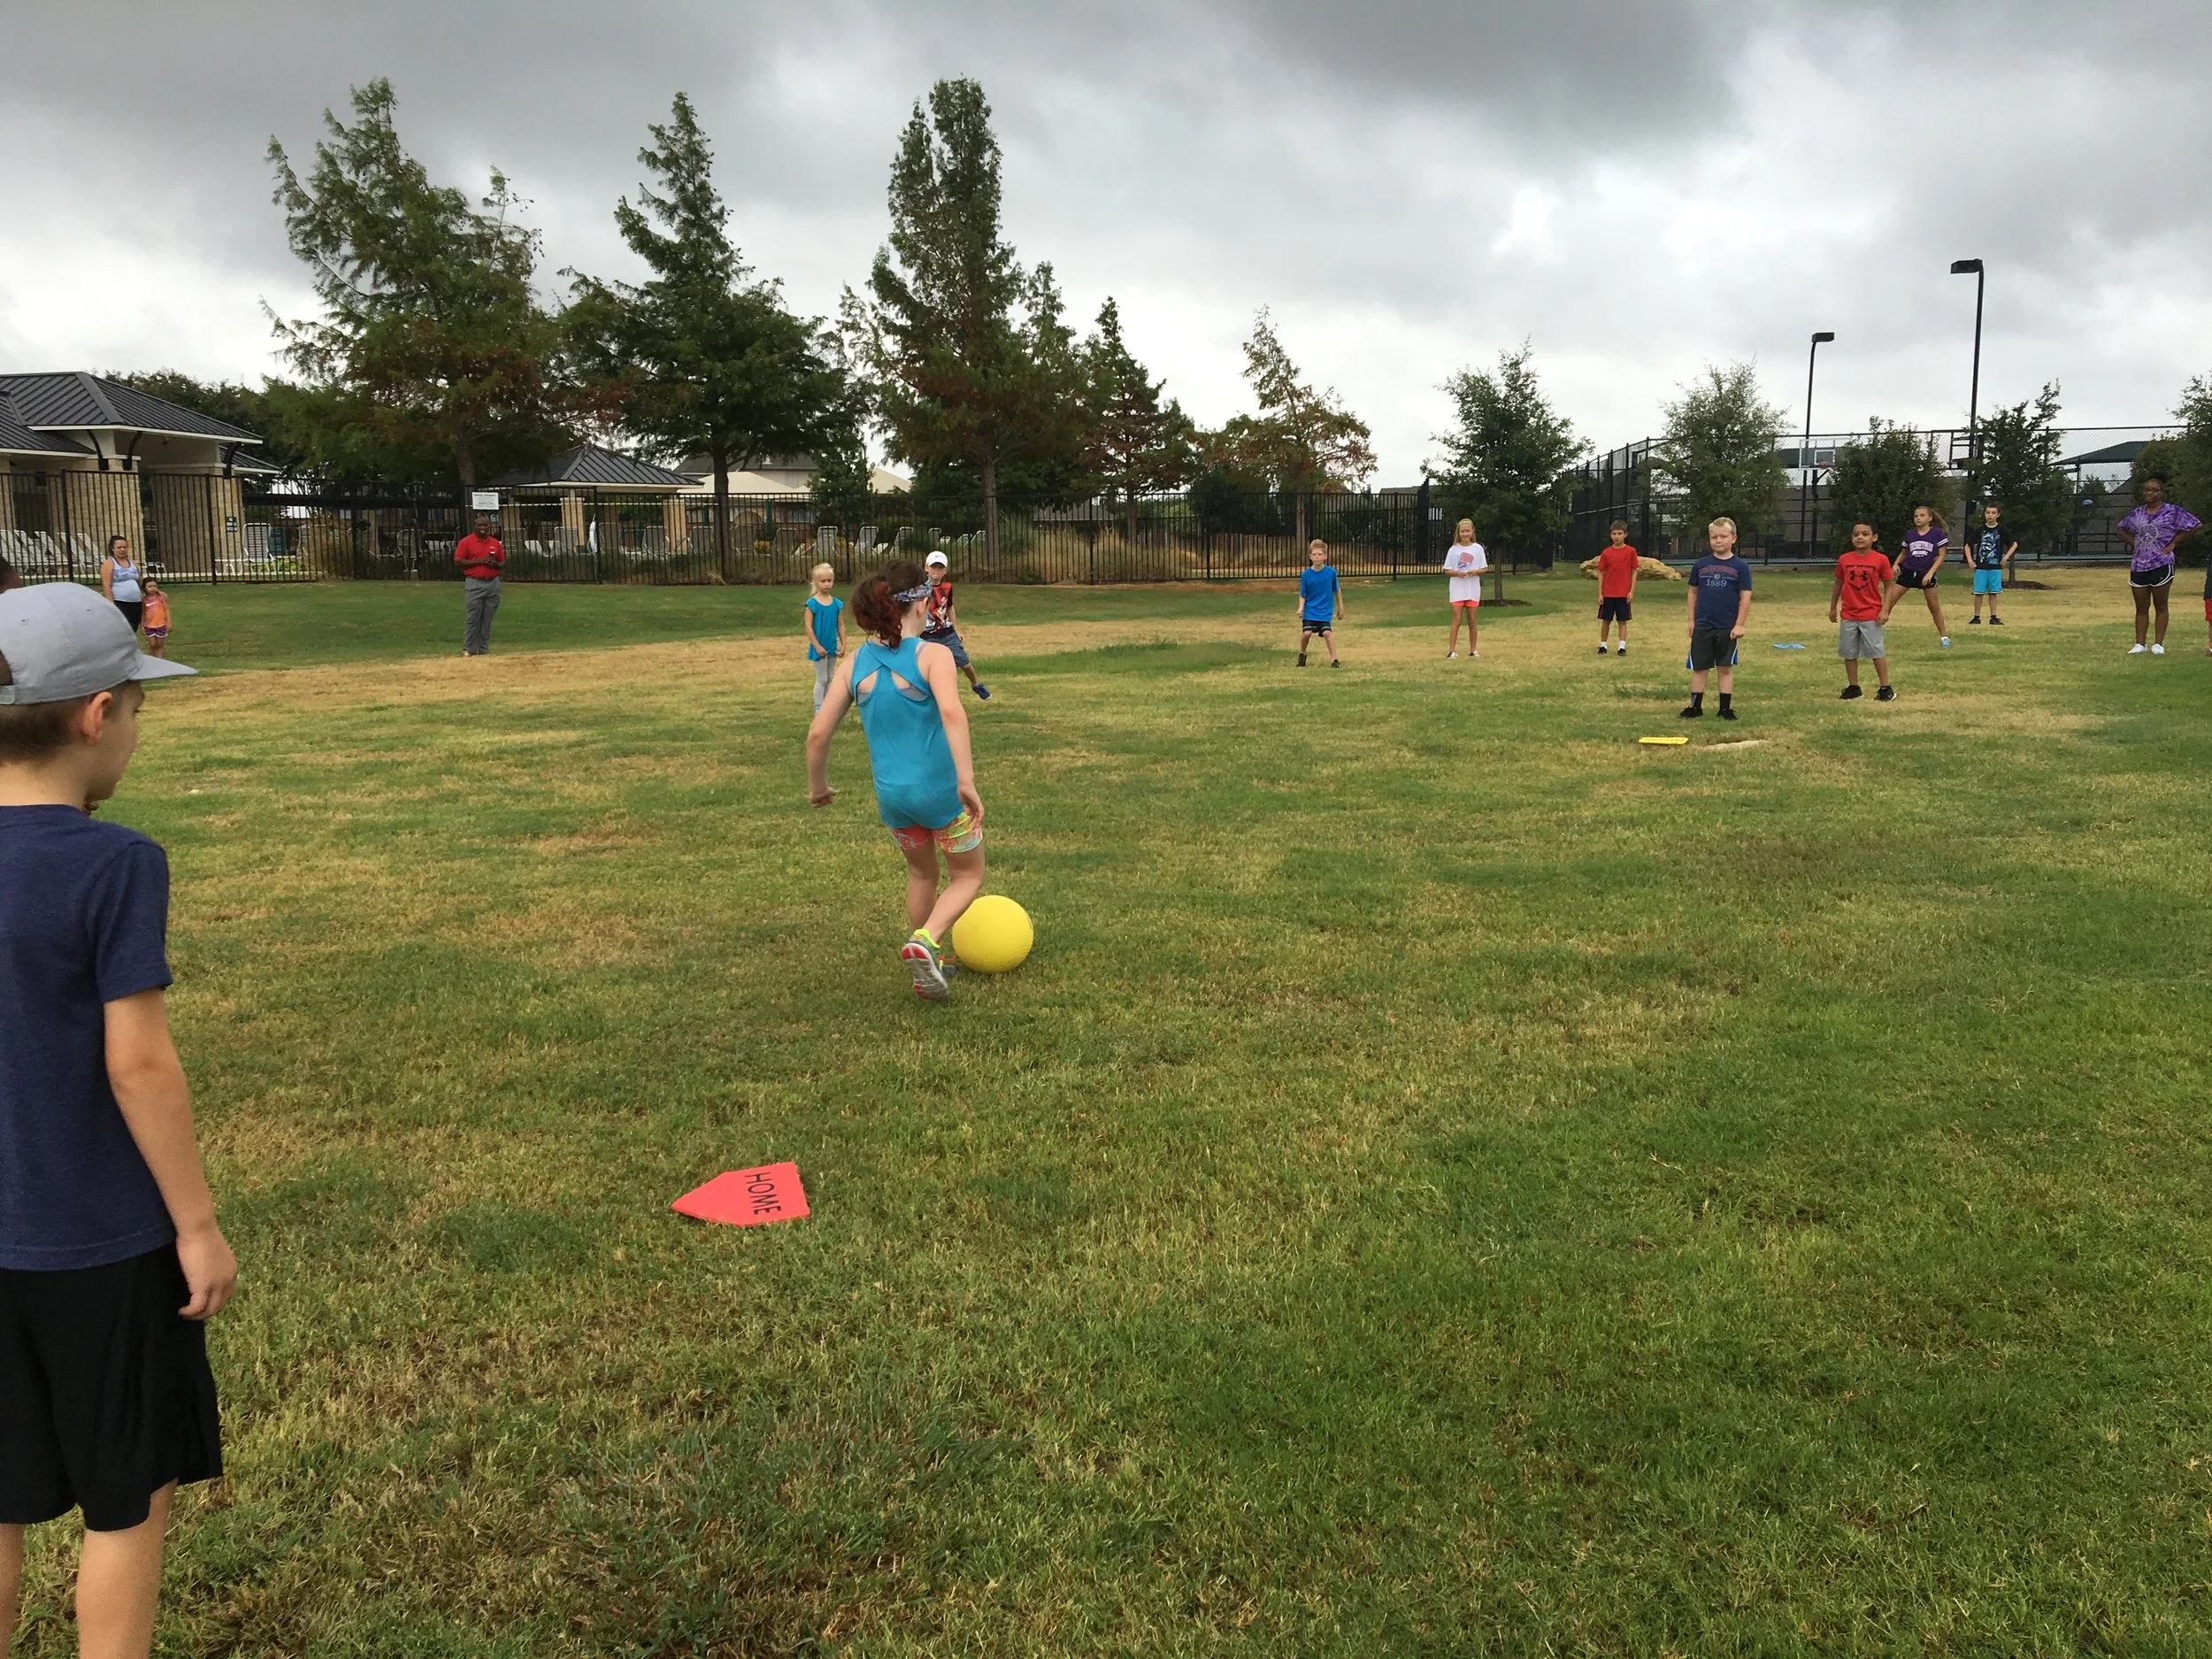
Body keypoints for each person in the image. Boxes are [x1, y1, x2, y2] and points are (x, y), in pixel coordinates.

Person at [0, 583, 233, 1659]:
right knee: (124, 1501)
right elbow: (138, 1062)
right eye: (138, 708)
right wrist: (195, 1223)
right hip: (100, 1249)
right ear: (99, 714)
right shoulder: (115, 863)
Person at [806, 562, 986, 1002]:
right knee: (968, 876)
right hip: (940, 794)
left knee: (921, 872)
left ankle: (931, 965)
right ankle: (927, 941)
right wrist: (966, 780)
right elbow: (951, 713)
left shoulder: (854, 663)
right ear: (921, 603)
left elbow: (817, 733)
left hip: (893, 801)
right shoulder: (934, 655)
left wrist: (818, 787)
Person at [2117, 472, 2201, 656]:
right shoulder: (2137, 513)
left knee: (2161, 605)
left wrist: (2174, 542)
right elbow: (2121, 528)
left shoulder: (2172, 511)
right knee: (2141, 606)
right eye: (2147, 490)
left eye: (2155, 490)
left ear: (2161, 492)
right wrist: (2135, 543)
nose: (2150, 493)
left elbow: (2195, 525)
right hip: (2139, 565)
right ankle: (2140, 643)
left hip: (2161, 563)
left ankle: (2158, 644)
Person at [1681, 516, 1752, 719]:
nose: (1718, 541)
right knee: (1699, 667)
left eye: (1723, 536)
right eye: (1714, 537)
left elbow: (1745, 597)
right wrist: (1691, 620)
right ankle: (1695, 707)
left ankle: (1725, 709)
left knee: (1724, 668)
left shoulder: (1741, 567)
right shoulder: (1701, 565)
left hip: (1727, 627)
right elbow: (1693, 593)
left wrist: (1739, 625)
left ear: (1733, 538)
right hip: (1703, 625)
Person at [1830, 521, 1896, 701]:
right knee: (1848, 652)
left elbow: (1889, 586)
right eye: (1856, 534)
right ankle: (1853, 686)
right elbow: (1838, 583)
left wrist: (1885, 609)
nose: (1860, 537)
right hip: (1849, 614)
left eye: (1865, 534)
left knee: (1876, 651)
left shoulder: (1880, 560)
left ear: (1874, 537)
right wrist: (1833, 608)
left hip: (1871, 614)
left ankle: (1885, 687)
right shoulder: (1845, 559)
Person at [919, 552, 990, 699]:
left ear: (945, 571)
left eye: (940, 568)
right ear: (926, 568)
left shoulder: (947, 588)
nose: (936, 571)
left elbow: (950, 607)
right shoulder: (919, 589)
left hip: (946, 633)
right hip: (926, 635)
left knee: (965, 664)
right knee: (925, 667)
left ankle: (976, 685)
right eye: (933, 567)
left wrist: (956, 629)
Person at [1881, 504, 1951, 646]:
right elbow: (1904, 552)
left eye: (1922, 515)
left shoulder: (1937, 533)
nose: (1918, 518)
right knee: (1888, 603)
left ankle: (1944, 637)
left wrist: (1930, 574)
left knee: (1933, 606)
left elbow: (1942, 555)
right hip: (1908, 572)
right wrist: (1895, 564)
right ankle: (1873, 633)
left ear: (1930, 518)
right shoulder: (1910, 534)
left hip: (1926, 573)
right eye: (1916, 516)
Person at [1585, 521, 1640, 655]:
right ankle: (1603, 645)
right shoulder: (1606, 553)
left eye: (1620, 533)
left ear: (1625, 534)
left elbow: (1634, 571)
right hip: (1608, 593)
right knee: (1606, 620)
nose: (1617, 536)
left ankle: (1622, 646)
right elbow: (1601, 573)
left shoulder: (1631, 552)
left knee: (1622, 620)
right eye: (1614, 534)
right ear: (1610, 535)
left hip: (1623, 593)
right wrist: (1600, 593)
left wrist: (1631, 591)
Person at [453, 515, 505, 657]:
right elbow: (458, 560)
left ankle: (483, 648)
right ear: (475, 527)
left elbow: (502, 562)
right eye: (480, 526)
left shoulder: (495, 543)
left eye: (485, 526)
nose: (483, 528)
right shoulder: (466, 542)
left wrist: (494, 564)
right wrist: (479, 561)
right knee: (473, 617)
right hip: (475, 582)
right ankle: (468, 648)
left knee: (487, 618)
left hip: (492, 583)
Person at [1963, 502, 2016, 626]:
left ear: (1998, 515)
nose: (1990, 515)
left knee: (1993, 593)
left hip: (1995, 567)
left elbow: (2014, 544)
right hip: (1981, 566)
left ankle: (1993, 617)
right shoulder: (1980, 530)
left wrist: (2005, 558)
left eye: (1993, 513)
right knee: (1978, 593)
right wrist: (1970, 560)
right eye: (1988, 513)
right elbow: (1968, 545)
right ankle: (1976, 616)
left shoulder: (2002, 530)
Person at [803, 563, 846, 711]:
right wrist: (817, 646)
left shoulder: (836, 603)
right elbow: (808, 627)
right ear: (816, 582)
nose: (827, 584)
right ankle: (818, 708)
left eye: (830, 580)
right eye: (823, 581)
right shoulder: (812, 604)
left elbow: (840, 625)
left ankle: (827, 706)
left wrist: (843, 644)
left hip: (831, 646)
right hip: (819, 647)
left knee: (829, 678)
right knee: (821, 678)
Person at [1440, 519, 1486, 658]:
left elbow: (1484, 568)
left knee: (1472, 619)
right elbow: (1447, 569)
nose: (1465, 534)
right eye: (1462, 531)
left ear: (1472, 532)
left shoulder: (1478, 549)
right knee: (1457, 619)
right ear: (1458, 533)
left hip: (1472, 589)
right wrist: (1457, 573)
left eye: (1468, 531)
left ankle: (1473, 649)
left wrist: (1475, 571)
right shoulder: (1454, 549)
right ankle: (1452, 650)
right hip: (1457, 589)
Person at [1296, 540, 1342, 667]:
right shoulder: (1306, 575)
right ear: (1310, 557)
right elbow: (1303, 594)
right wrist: (1301, 608)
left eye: (1320, 554)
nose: (1317, 557)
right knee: (1307, 633)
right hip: (1310, 610)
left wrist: (1341, 607)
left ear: (1325, 556)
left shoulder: (1331, 572)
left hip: (1325, 611)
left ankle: (1334, 660)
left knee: (1327, 633)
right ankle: (1302, 654)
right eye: (1314, 554)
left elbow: (1336, 589)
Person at [100, 536, 145, 634]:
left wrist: (154, 593)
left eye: (124, 547)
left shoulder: (133, 563)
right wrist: (111, 604)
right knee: (122, 630)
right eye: (119, 547)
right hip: (120, 602)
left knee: (133, 629)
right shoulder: (109, 563)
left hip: (135, 603)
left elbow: (141, 581)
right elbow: (106, 585)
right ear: (112, 548)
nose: (122, 550)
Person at [140, 578, 173, 659]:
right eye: (150, 586)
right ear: (145, 588)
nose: (152, 588)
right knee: (152, 644)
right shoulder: (144, 600)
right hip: (149, 625)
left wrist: (169, 622)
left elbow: (166, 610)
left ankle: (159, 660)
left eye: (154, 586)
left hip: (161, 625)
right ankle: (152, 659)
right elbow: (143, 613)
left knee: (160, 645)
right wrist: (142, 625)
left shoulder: (161, 597)